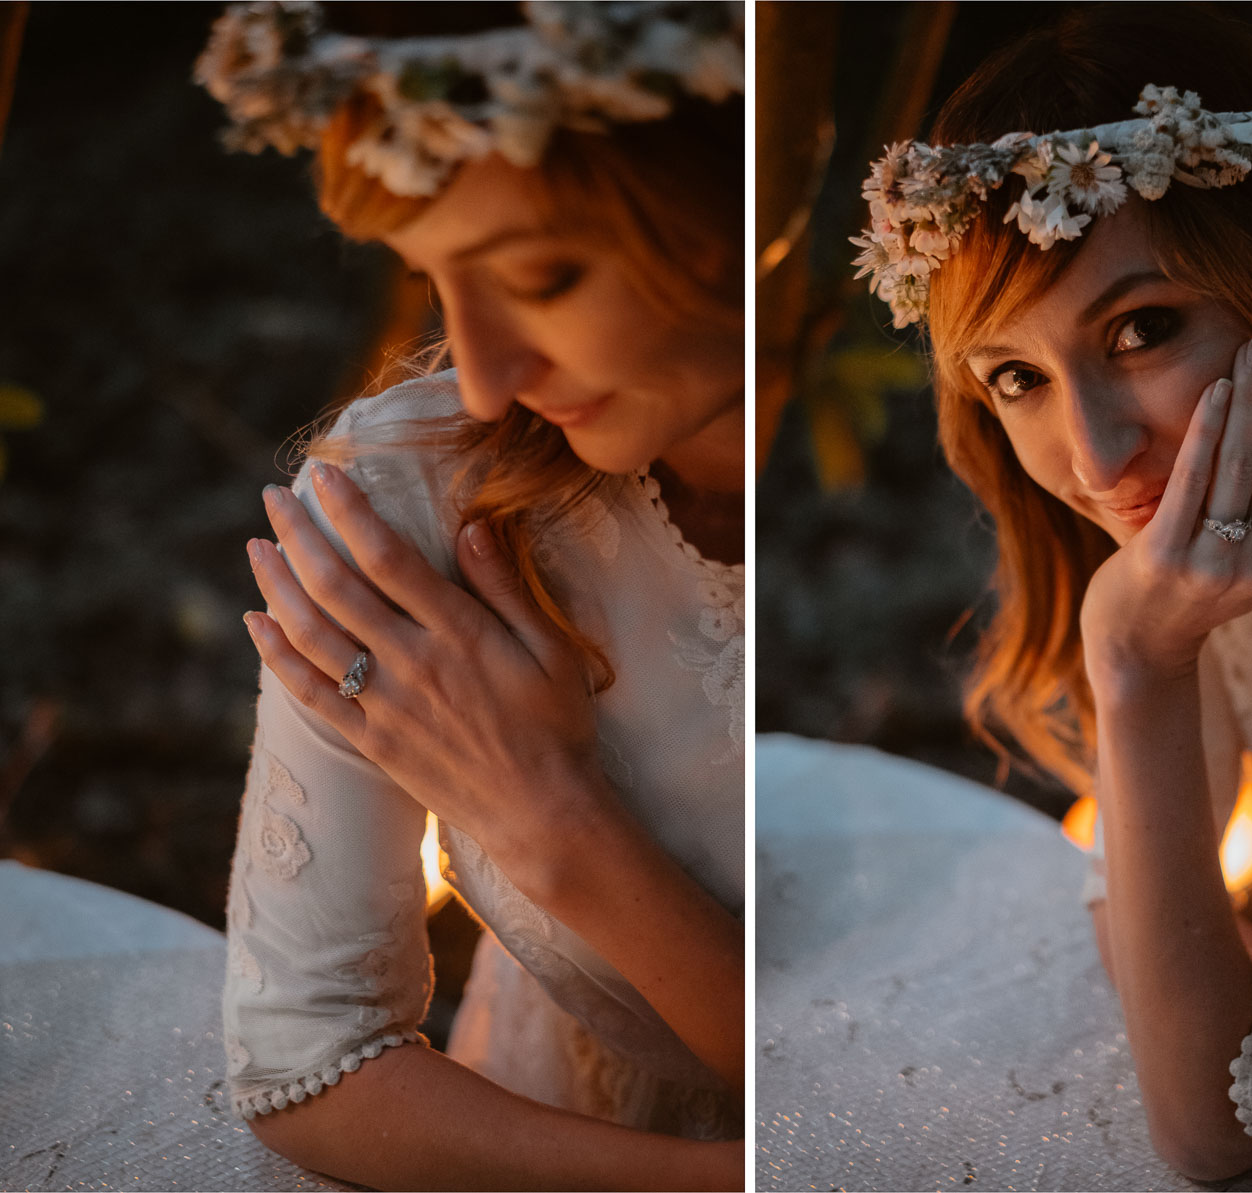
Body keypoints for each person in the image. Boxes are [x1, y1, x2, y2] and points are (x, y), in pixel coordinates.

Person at [854, 6, 1252, 1187]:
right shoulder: (1229, 548)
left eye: (1143, 330)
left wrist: (1135, 664)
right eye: (1018, 375)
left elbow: (1211, 1123)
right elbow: (1141, 920)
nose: (1097, 456)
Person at [198, 3, 744, 1189]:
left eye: (541, 275)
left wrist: (558, 822)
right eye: (431, 278)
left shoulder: (1032, 438)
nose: (486, 379)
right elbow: (308, 1061)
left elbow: (861, 1064)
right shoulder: (413, 501)